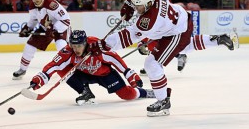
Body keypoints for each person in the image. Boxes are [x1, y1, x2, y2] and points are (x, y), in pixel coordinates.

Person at [90, 0, 238, 116]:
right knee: (184, 47)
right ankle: (218, 39)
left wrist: (104, 45)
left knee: (152, 64)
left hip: (176, 32)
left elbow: (128, 36)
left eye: (138, 6)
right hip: (180, 19)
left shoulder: (149, 22)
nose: (136, 9)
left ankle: (163, 101)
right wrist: (129, 4)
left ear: (148, 4)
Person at [29, 30, 163, 105]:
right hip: (84, 74)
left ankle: (145, 92)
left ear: (85, 43)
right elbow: (54, 65)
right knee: (63, 70)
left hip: (104, 74)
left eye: (79, 46)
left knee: (126, 95)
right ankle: (85, 92)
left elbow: (115, 59)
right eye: (73, 46)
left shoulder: (97, 47)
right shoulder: (67, 52)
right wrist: (40, 78)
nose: (76, 49)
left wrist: (130, 74)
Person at [13, 0, 71, 80]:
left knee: (61, 46)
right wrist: (27, 29)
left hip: (61, 26)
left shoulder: (52, 4)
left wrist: (54, 30)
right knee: (30, 45)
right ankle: (22, 69)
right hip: (45, 27)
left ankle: (69, 68)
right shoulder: (32, 6)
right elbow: (33, 20)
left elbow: (66, 20)